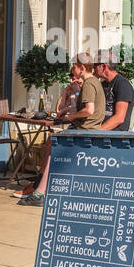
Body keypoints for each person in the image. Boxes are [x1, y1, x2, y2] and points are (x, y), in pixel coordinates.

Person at [15, 55, 105, 206]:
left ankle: (39, 193)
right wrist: (69, 109)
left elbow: (89, 110)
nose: (72, 69)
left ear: (82, 67)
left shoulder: (89, 83)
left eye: (74, 66)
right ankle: (40, 184)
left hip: (85, 131)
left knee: (54, 147)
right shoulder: (93, 82)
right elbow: (83, 108)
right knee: (51, 141)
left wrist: (72, 117)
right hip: (87, 129)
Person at [94, 53, 134, 131]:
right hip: (101, 131)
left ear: (103, 66)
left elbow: (119, 118)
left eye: (95, 65)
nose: (93, 68)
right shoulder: (102, 85)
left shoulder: (122, 84)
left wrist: (97, 132)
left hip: (115, 135)